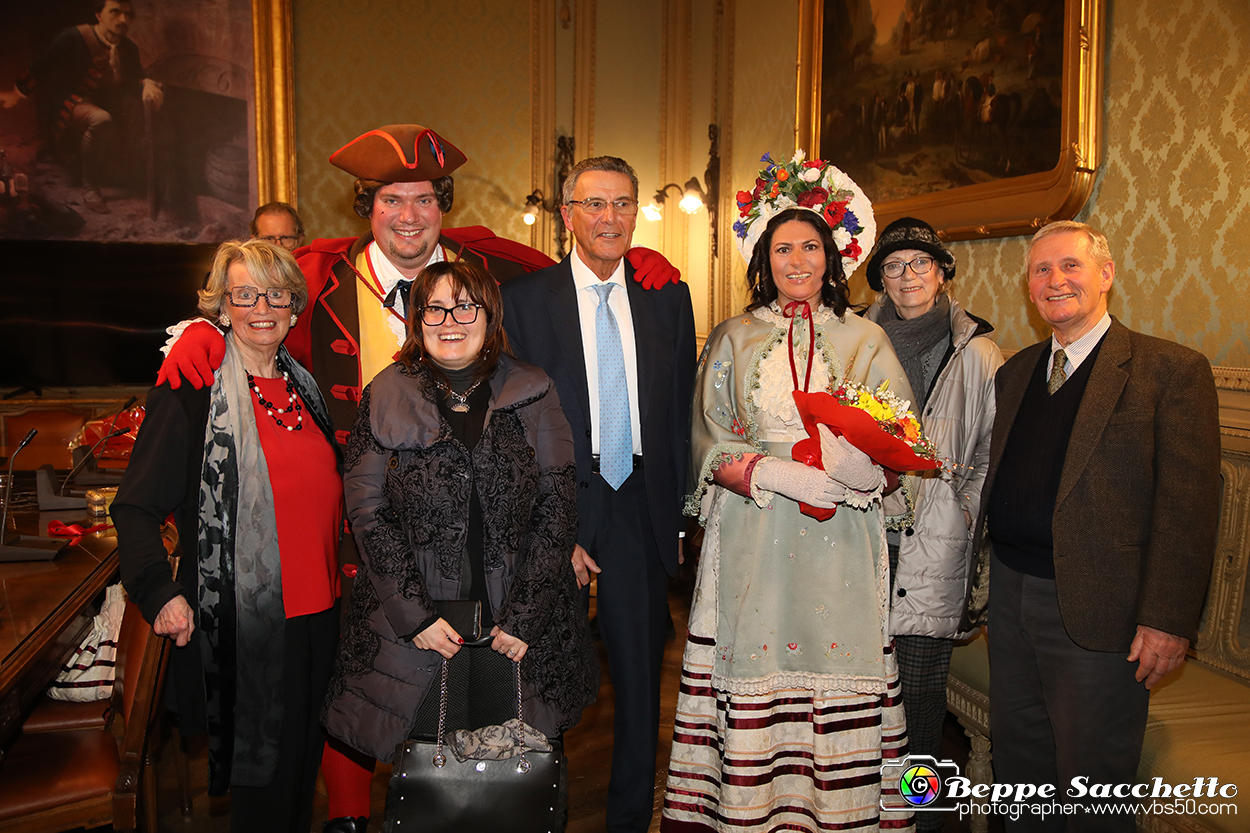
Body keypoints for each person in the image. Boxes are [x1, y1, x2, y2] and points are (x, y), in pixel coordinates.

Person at [156, 123, 677, 833]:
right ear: (365, 207)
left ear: (443, 207)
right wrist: (203, 331)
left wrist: (633, 254)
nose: (409, 216)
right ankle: (349, 819)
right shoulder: (321, 275)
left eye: (425, 200)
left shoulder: (491, 274)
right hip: (356, 540)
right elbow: (254, 308)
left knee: (476, 720)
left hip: (483, 557)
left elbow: (587, 269)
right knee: (361, 692)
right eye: (391, 200)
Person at [660, 152, 915, 832]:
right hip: (755, 530)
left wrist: (863, 472)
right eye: (782, 248)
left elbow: (900, 433)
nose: (796, 259)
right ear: (764, 259)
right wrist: (767, 472)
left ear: (833, 257)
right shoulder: (733, 337)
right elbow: (705, 435)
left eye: (809, 246)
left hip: (843, 536)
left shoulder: (866, 337)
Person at [970, 221, 1220, 832]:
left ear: (1106, 275)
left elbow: (1187, 511)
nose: (1056, 281)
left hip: (1100, 610)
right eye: (1041, 271)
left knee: (1091, 789)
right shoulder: (1017, 371)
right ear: (1029, 289)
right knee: (1020, 775)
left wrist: (1166, 619)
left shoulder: (1170, 372)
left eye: (1071, 266)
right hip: (1010, 599)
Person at [321, 259, 599, 807]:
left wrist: (526, 616)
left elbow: (558, 502)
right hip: (425, 628)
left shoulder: (533, 387)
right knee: (432, 789)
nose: (451, 319)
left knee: (514, 792)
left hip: (515, 627)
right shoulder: (384, 392)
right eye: (435, 307)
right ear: (416, 320)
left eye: (465, 305)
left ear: (489, 315)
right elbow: (367, 511)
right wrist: (416, 617)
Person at [112, 239, 342, 832]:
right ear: (222, 305)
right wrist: (158, 593)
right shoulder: (193, 390)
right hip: (247, 631)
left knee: (298, 784)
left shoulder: (305, 389)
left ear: (295, 306)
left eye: (276, 293)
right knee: (262, 796)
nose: (261, 306)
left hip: (321, 622)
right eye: (244, 293)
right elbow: (134, 506)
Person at [501, 156, 697, 833]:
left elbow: (678, 413)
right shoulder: (524, 301)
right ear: (567, 215)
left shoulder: (668, 297)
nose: (608, 217)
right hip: (560, 502)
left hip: (638, 503)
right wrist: (546, 521)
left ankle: (627, 820)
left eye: (621, 204)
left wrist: (672, 519)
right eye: (593, 204)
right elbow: (515, 423)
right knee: (542, 680)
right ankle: (543, 816)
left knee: (642, 685)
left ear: (636, 212)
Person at [863, 217, 1003, 832]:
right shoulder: (854, 341)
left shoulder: (978, 351)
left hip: (934, 549)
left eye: (920, 263)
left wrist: (964, 513)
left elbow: (993, 454)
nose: (907, 276)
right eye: (893, 266)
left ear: (944, 273)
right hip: (860, 541)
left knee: (920, 706)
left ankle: (920, 823)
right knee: (860, 694)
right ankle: (863, 813)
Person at [0, 0, 163, 213]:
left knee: (110, 120)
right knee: (101, 119)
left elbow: (135, 77)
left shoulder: (128, 47)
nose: (123, 20)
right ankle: (90, 187)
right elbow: (42, 65)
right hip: (72, 102)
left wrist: (147, 83)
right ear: (98, 15)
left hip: (108, 105)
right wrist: (18, 93)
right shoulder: (74, 37)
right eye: (115, 12)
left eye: (127, 14)